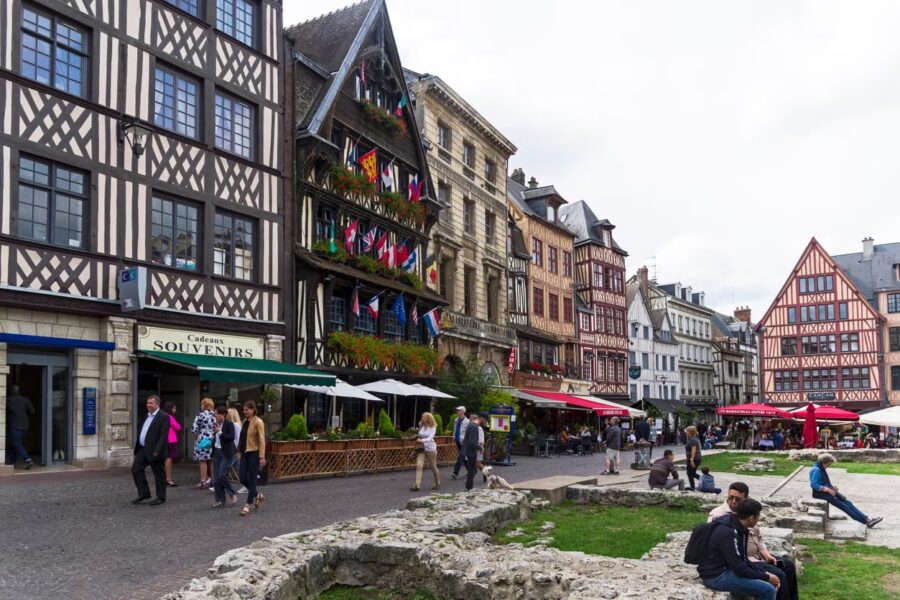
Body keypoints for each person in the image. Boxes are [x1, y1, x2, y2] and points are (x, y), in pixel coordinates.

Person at [708, 482, 798, 600]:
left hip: (754, 557)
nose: (733, 502)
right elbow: (736, 561)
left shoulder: (747, 513)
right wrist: (766, 576)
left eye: (738, 499)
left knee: (788, 566)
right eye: (731, 498)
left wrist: (765, 553)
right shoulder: (719, 517)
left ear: (746, 499)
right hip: (743, 560)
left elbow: (758, 537)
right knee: (778, 575)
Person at [698, 498, 780, 600]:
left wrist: (764, 574)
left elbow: (743, 559)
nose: (759, 518)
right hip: (715, 576)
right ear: (751, 518)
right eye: (758, 515)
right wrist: (766, 577)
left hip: (726, 570)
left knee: (768, 582)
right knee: (768, 589)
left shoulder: (739, 527)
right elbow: (738, 567)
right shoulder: (729, 531)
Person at [809, 452, 882, 528]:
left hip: (825, 492)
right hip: (820, 494)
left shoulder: (820, 468)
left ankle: (867, 519)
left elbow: (822, 482)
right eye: (829, 464)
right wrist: (827, 489)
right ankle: (866, 521)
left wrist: (832, 487)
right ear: (825, 462)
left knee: (848, 503)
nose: (830, 466)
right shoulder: (817, 470)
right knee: (844, 506)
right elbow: (814, 484)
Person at [131, 395, 170, 505]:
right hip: (143, 449)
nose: (148, 405)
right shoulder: (147, 415)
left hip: (155, 450)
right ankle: (144, 493)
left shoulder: (163, 417)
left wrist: (157, 450)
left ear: (157, 404)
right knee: (136, 469)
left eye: (151, 403)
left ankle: (161, 497)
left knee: (159, 474)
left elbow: (163, 435)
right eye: (148, 403)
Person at [237, 400, 266, 516]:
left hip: (254, 452)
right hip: (245, 453)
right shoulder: (245, 421)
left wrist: (262, 456)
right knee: (242, 478)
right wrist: (239, 451)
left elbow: (262, 439)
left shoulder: (258, 422)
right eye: (243, 410)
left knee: (252, 478)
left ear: (253, 409)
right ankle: (257, 495)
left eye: (247, 409)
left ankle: (248, 504)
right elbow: (242, 438)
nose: (245, 412)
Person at [212, 407, 238, 508]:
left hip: (226, 452)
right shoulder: (215, 424)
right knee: (215, 478)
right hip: (217, 452)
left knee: (221, 475)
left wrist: (219, 433)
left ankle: (232, 494)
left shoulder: (229, 424)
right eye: (215, 414)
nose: (215, 416)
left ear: (223, 415)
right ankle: (220, 500)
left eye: (217, 414)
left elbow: (231, 437)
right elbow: (215, 438)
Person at [6, 385, 35, 469]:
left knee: (17, 443)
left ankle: (27, 459)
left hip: (14, 425)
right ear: (19, 391)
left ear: (11, 391)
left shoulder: (9, 400)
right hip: (25, 425)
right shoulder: (26, 399)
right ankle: (12, 461)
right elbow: (32, 411)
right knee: (16, 443)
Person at [191, 398, 216, 489]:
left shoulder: (200, 415)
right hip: (213, 439)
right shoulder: (215, 415)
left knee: (203, 461)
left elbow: (194, 429)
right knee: (212, 460)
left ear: (203, 405)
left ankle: (203, 481)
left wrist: (197, 437)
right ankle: (214, 481)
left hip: (203, 439)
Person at [411, 412, 440, 491]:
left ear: (428, 418)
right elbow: (419, 434)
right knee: (419, 465)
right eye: (422, 417)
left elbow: (430, 438)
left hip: (430, 448)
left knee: (433, 467)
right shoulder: (421, 425)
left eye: (424, 417)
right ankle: (417, 485)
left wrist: (421, 440)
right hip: (421, 448)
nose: (422, 418)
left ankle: (437, 482)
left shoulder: (433, 427)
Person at [227, 408, 246, 494]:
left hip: (235, 450)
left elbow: (238, 439)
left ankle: (246, 485)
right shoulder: (231, 425)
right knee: (238, 468)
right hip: (233, 450)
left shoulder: (236, 425)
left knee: (227, 467)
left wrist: (239, 451)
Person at [461, 412, 482, 491]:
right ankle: (469, 488)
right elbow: (472, 442)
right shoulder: (474, 426)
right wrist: (479, 447)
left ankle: (468, 487)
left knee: (472, 469)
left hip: (468, 451)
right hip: (472, 451)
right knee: (472, 470)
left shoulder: (471, 425)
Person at [163, 401, 181, 487]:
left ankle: (165, 478)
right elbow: (178, 427)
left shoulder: (162, 416)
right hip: (171, 440)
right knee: (169, 459)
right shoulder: (170, 417)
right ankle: (168, 479)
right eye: (174, 408)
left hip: (164, 440)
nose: (175, 410)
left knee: (166, 458)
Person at [450, 406, 469, 480]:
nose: (457, 411)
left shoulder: (467, 421)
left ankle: (455, 472)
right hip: (457, 440)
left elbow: (468, 432)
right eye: (457, 410)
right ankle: (470, 470)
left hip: (464, 441)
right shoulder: (456, 420)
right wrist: (453, 437)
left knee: (461, 456)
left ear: (463, 412)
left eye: (459, 410)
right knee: (463, 457)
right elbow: (455, 429)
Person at [684, 425, 702, 490]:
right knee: (692, 473)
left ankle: (692, 487)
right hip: (696, 458)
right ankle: (705, 480)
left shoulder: (693, 439)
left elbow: (693, 450)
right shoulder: (693, 439)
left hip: (694, 459)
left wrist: (691, 460)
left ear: (690, 432)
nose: (686, 432)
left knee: (689, 473)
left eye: (687, 431)